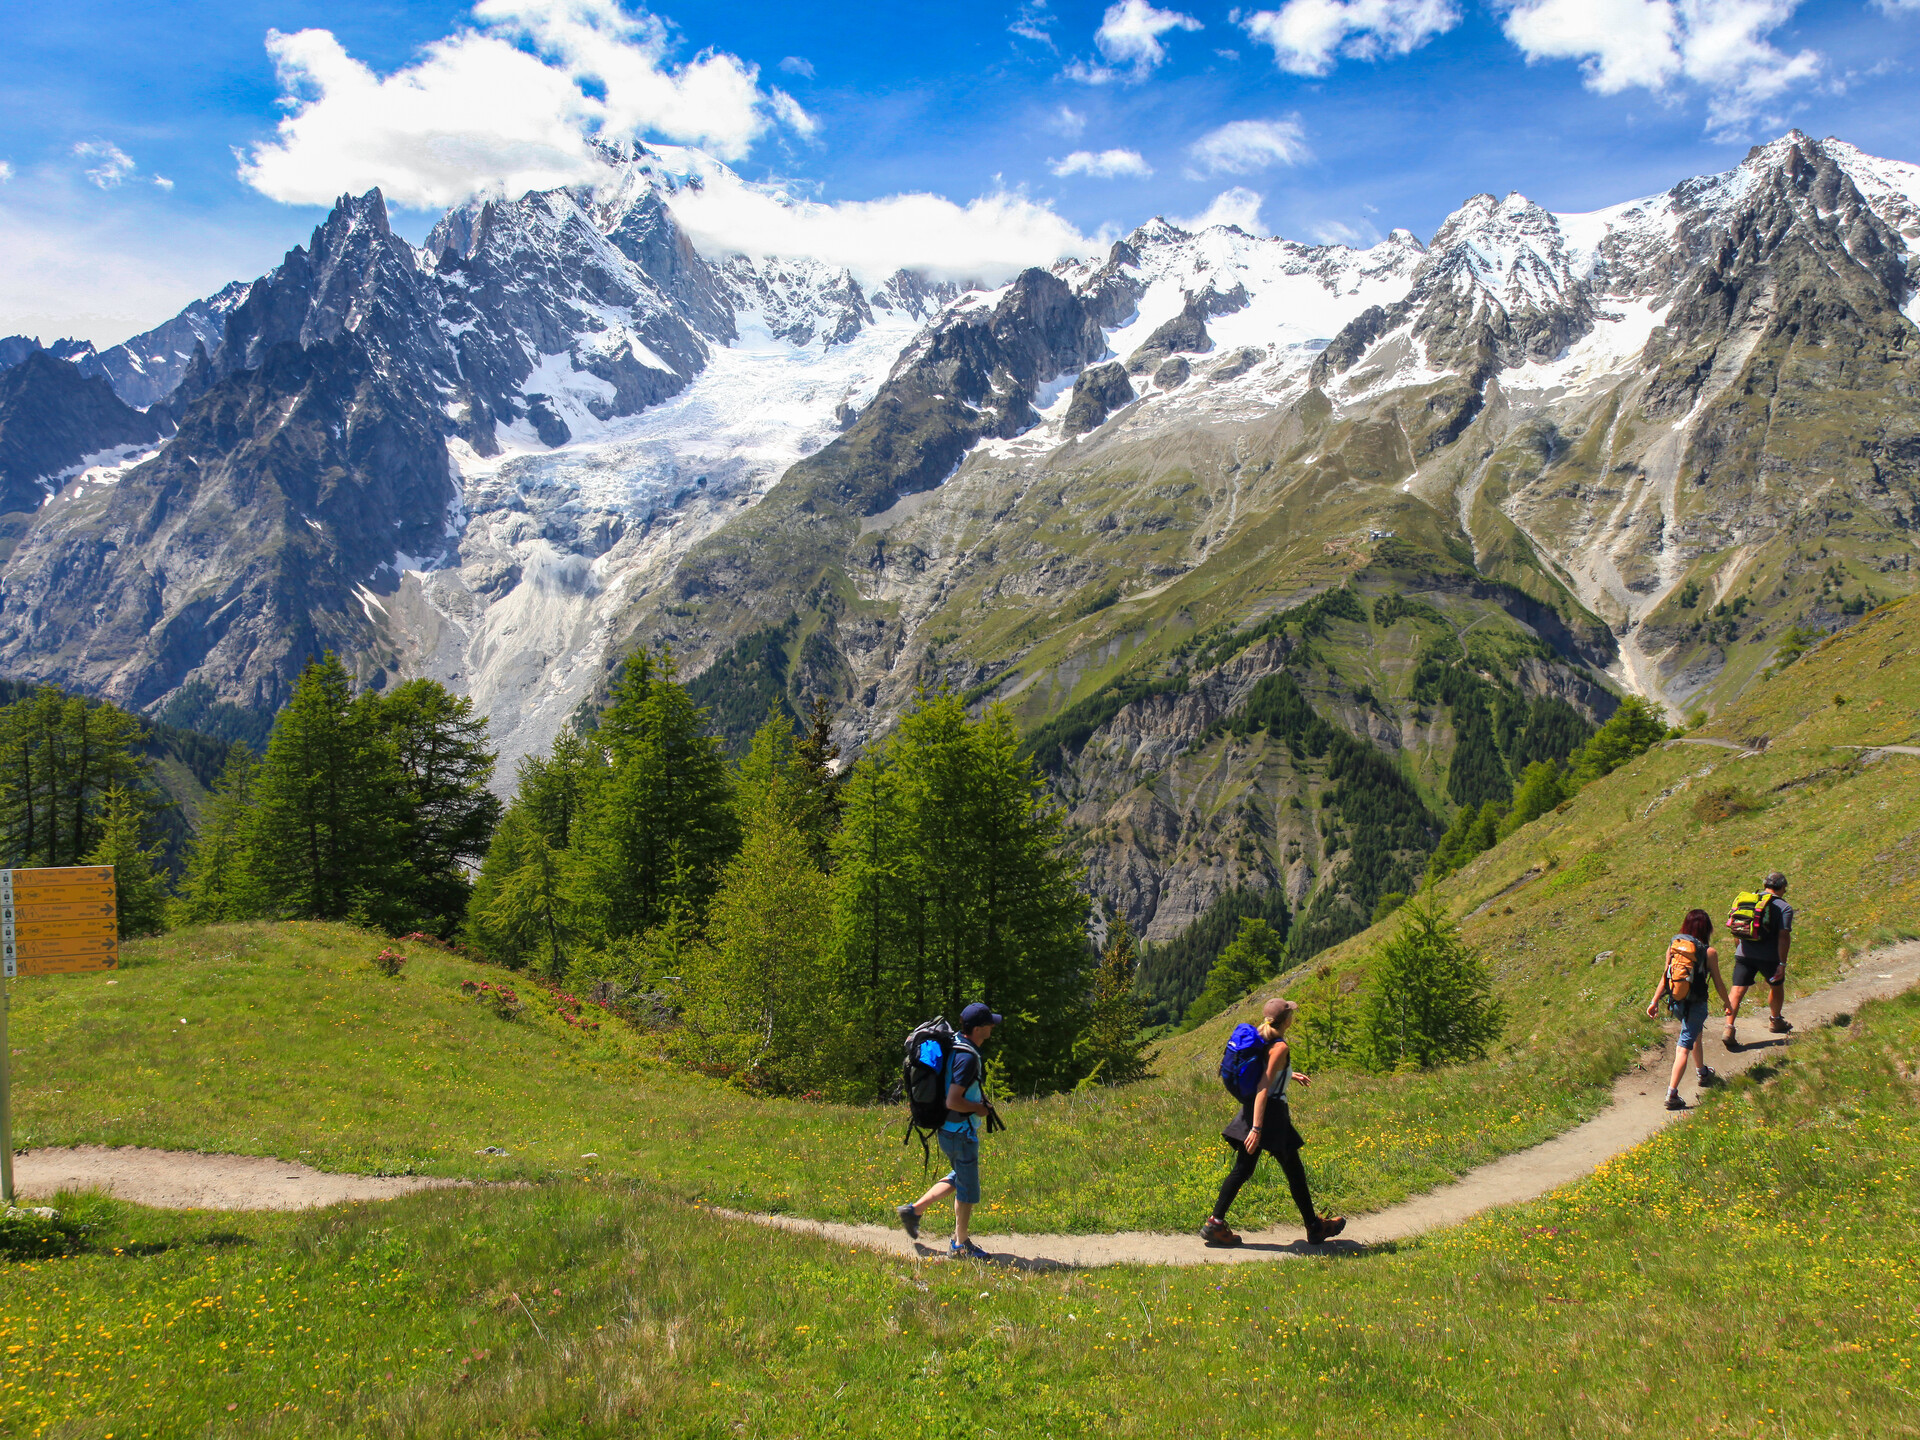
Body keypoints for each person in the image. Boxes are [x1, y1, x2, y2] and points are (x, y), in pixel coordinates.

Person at [1201, 997, 1345, 1248]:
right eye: (1291, 1014)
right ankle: (1314, 1227)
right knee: (1294, 1171)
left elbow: (1266, 1071)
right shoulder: (1280, 1047)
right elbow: (1263, 1088)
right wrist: (1257, 1128)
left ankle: (1215, 1223)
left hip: (1253, 1112)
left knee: (1244, 1169)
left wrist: (1289, 1074)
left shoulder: (1259, 1035)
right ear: (1286, 1020)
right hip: (1270, 1115)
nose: (1293, 1017)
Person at [896, 1001, 1001, 1259]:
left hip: (949, 1128)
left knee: (960, 1175)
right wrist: (978, 1108)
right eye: (988, 1024)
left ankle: (914, 1211)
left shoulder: (956, 1042)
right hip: (959, 1131)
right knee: (967, 1189)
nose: (992, 1027)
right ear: (977, 1029)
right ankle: (960, 1244)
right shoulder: (967, 1057)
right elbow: (953, 1100)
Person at [1645, 908, 1730, 1111]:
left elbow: (1665, 977)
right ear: (1706, 928)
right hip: (1697, 1005)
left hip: (1676, 1002)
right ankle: (1672, 1094)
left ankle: (1702, 1072)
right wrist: (1728, 1003)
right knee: (1684, 1046)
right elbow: (1717, 982)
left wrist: (1654, 1001)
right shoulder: (1709, 952)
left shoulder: (1675, 947)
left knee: (1695, 1035)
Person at [1726, 871, 1794, 1045]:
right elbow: (1783, 937)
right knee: (1776, 986)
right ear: (1782, 888)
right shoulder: (1783, 907)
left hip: (1744, 953)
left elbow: (1737, 926)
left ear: (1765, 885)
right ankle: (1775, 1020)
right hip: (1769, 957)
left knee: (1737, 990)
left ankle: (1729, 1027)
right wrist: (1782, 963)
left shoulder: (1747, 901)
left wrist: (1739, 949)